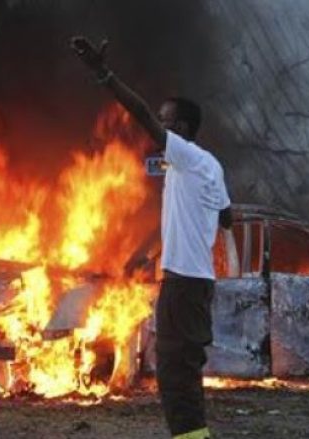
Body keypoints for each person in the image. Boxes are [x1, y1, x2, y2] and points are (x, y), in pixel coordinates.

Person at [70, 36, 233, 439]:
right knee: (179, 370)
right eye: (161, 121)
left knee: (176, 374)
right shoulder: (207, 166)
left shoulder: (190, 158)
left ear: (183, 130)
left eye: (167, 122)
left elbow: (139, 112)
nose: (158, 127)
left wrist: (104, 75)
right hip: (189, 282)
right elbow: (228, 215)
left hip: (185, 284)